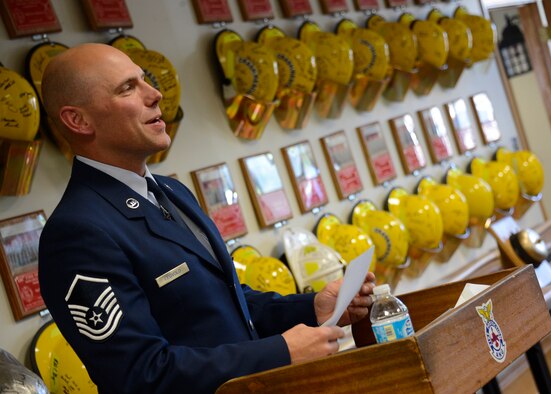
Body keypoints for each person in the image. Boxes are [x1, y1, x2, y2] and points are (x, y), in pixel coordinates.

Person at [38, 43, 375, 394]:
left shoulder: (170, 191)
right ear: (78, 120)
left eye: (145, 81)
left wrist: (311, 308)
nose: (154, 95)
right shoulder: (77, 233)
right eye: (127, 88)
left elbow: (226, 306)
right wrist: (280, 352)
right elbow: (140, 375)